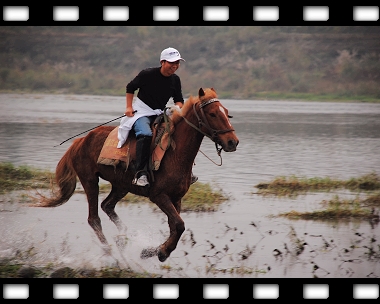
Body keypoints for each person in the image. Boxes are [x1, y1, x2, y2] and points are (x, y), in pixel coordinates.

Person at [117, 47, 198, 187]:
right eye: (172, 62)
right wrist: (129, 107)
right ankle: (140, 173)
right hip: (141, 112)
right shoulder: (147, 74)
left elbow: (178, 99)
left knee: (179, 133)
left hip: (160, 113)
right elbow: (130, 87)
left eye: (177, 63)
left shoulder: (175, 80)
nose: (175, 66)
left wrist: (178, 108)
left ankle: (186, 172)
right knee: (146, 134)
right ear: (162, 62)